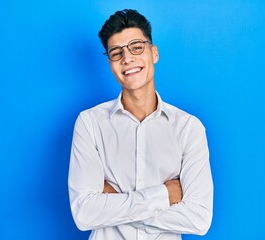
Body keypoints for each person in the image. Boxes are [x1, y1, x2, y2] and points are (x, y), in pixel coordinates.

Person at [68, 9, 213, 240]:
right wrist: (164, 195)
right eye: (116, 52)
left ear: (154, 53)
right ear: (110, 63)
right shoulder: (90, 124)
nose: (127, 59)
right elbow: (84, 214)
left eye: (136, 47)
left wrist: (113, 204)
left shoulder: (189, 128)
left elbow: (199, 218)